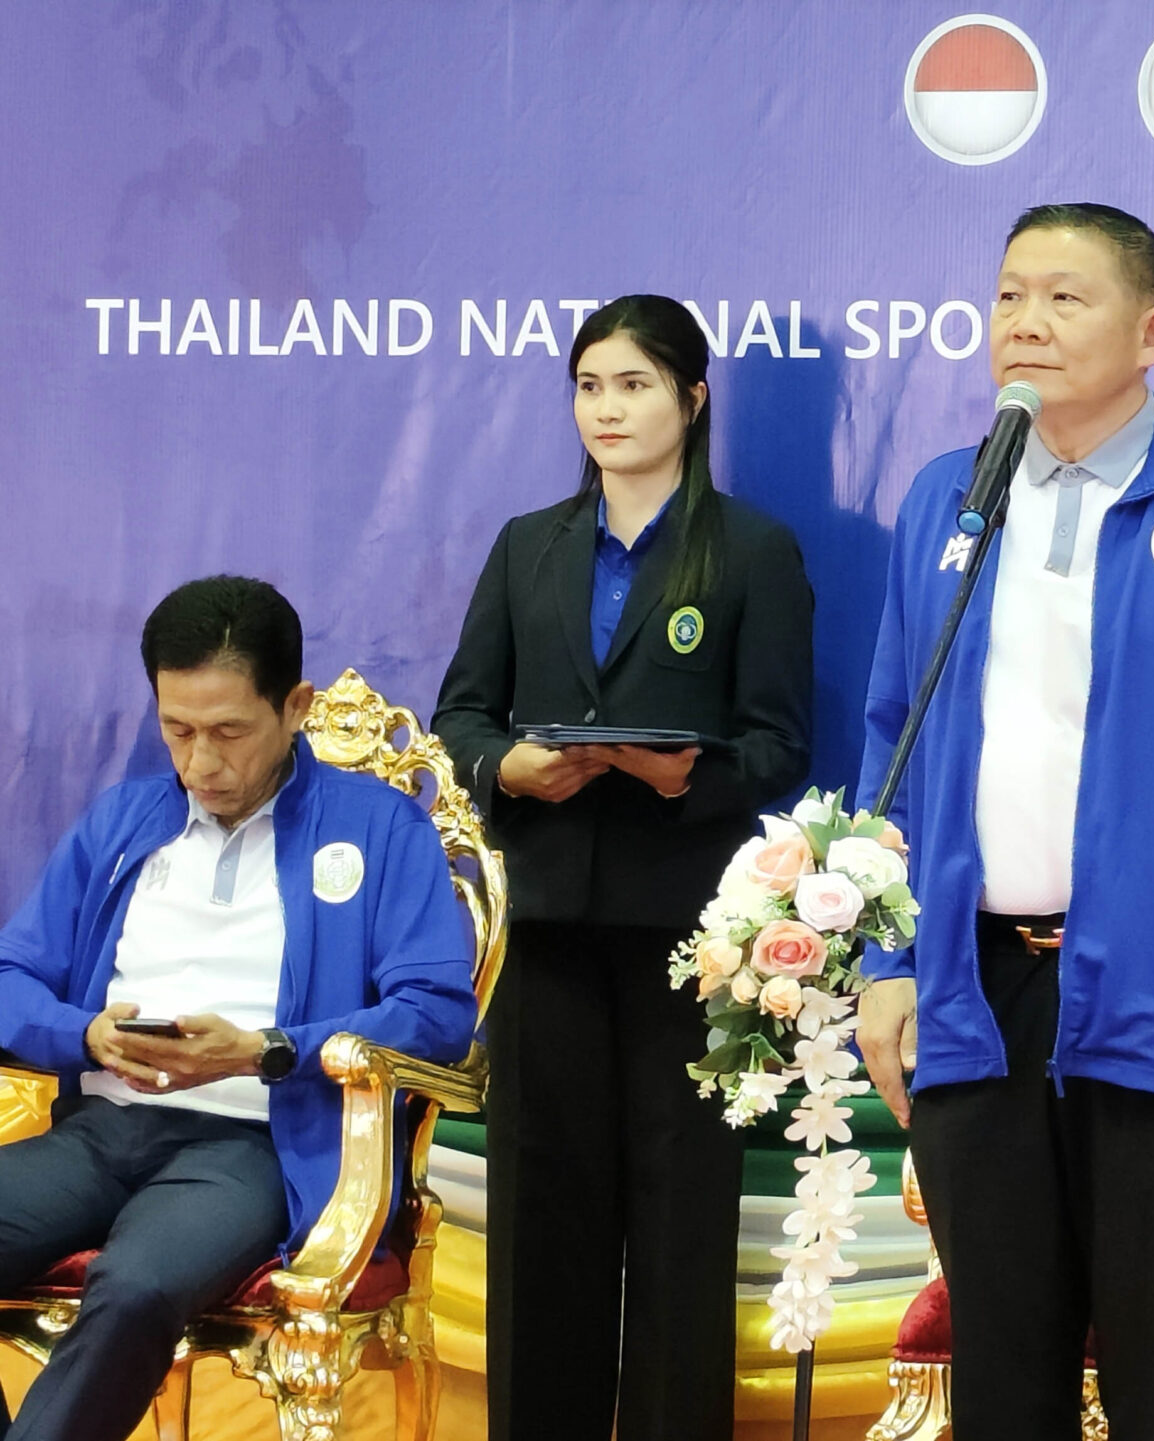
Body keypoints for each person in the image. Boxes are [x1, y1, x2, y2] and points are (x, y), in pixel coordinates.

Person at [853, 203, 1154, 1441]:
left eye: (1066, 297)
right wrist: (887, 954)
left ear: (1152, 331)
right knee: (1001, 1371)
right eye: (1010, 294)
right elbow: (891, 732)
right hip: (974, 991)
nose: (1027, 321)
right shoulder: (947, 498)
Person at [431, 294, 816, 1441]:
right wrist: (507, 765)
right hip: (546, 925)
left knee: (679, 1218)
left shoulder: (752, 549)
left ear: (692, 400)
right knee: (541, 1217)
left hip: (691, 941)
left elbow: (781, 745)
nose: (608, 408)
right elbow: (460, 716)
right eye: (590, 385)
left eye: (635, 384)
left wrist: (679, 778)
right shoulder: (528, 544)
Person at [0, 575, 476, 1441]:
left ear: (295, 707)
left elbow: (438, 1014)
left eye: (228, 732)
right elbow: (12, 977)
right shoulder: (123, 819)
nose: (200, 764)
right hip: (101, 1131)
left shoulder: (377, 827)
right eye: (177, 730)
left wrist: (267, 1049)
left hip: (253, 1144)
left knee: (137, 1284)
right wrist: (86, 1033)